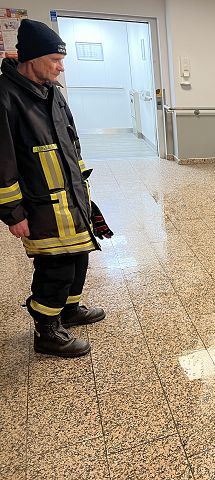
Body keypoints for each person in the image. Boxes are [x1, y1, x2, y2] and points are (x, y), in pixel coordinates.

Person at [0, 19, 106, 357]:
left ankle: (69, 310)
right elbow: (2, 162)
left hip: (71, 196)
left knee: (78, 257)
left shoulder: (53, 92)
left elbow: (70, 142)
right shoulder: (6, 96)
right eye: (55, 60)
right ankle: (46, 332)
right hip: (40, 204)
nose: (61, 67)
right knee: (56, 267)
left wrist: (82, 189)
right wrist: (13, 213)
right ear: (32, 59)